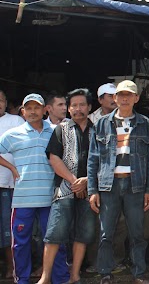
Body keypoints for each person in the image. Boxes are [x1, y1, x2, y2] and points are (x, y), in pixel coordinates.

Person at [88, 80, 149, 284]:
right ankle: (105, 273)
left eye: (129, 95)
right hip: (109, 185)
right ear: (114, 98)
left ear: (136, 98)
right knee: (106, 233)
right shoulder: (101, 123)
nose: (124, 98)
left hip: (135, 184)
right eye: (120, 95)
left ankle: (139, 273)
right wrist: (93, 189)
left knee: (136, 233)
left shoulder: (145, 123)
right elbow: (93, 159)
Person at [0, 94, 69, 284]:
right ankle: (22, 280)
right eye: (28, 108)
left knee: (55, 241)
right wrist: (12, 168)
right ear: (22, 111)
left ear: (44, 110)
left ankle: (60, 278)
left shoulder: (56, 131)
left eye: (36, 108)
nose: (32, 112)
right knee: (20, 243)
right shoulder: (13, 134)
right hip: (23, 198)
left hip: (51, 197)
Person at [37, 89, 96, 284]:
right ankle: (45, 278)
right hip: (64, 189)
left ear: (89, 107)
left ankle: (74, 275)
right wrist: (74, 181)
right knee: (55, 233)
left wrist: (86, 180)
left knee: (83, 233)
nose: (78, 109)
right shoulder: (60, 129)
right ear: (69, 109)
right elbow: (54, 158)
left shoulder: (98, 130)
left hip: (90, 190)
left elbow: (104, 160)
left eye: (82, 105)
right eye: (74, 105)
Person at [0, 89, 23, 279]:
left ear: (6, 102)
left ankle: (11, 268)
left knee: (8, 228)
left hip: (8, 184)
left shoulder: (15, 121)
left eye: (0, 100)